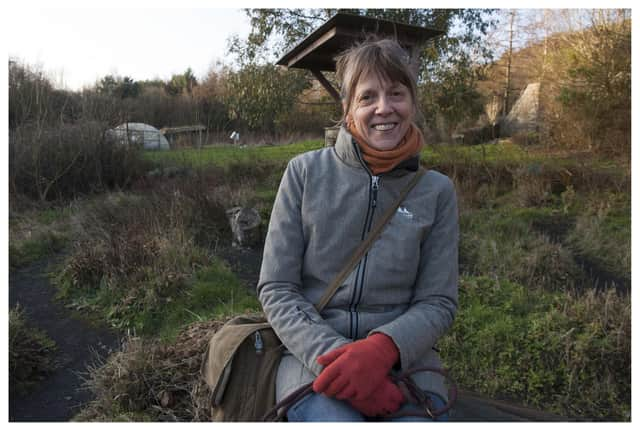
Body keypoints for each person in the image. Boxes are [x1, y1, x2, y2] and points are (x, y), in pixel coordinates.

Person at [257, 38, 459, 422]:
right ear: (348, 107)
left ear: (412, 102)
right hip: (312, 361)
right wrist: (340, 366)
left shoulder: (437, 192)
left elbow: (439, 301)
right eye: (368, 97)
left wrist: (381, 351)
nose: (384, 108)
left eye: (396, 93)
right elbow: (277, 288)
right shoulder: (303, 173)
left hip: (406, 364)